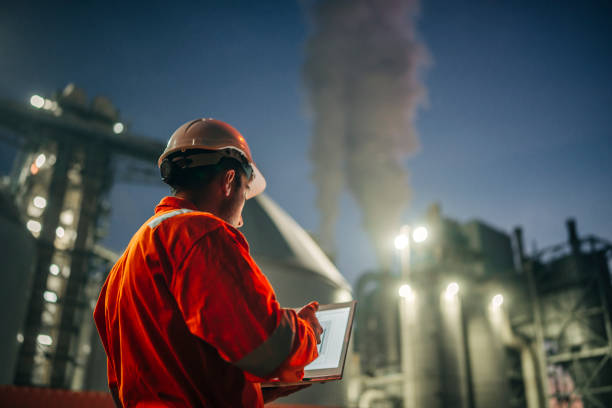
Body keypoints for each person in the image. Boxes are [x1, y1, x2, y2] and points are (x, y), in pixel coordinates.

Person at [94, 118, 323, 407]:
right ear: (229, 181)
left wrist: (257, 392)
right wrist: (307, 333)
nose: (241, 216)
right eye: (245, 192)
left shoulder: (128, 261)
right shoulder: (201, 234)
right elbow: (266, 345)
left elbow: (159, 376)